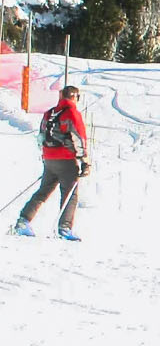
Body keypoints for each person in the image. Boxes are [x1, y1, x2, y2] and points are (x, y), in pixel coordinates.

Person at [14, 85, 89, 241]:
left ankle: (24, 221)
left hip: (49, 158)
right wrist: (84, 161)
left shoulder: (50, 113)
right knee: (69, 194)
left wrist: (45, 155)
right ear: (74, 97)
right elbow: (78, 137)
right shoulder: (72, 113)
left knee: (44, 191)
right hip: (66, 159)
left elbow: (41, 135)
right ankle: (65, 228)